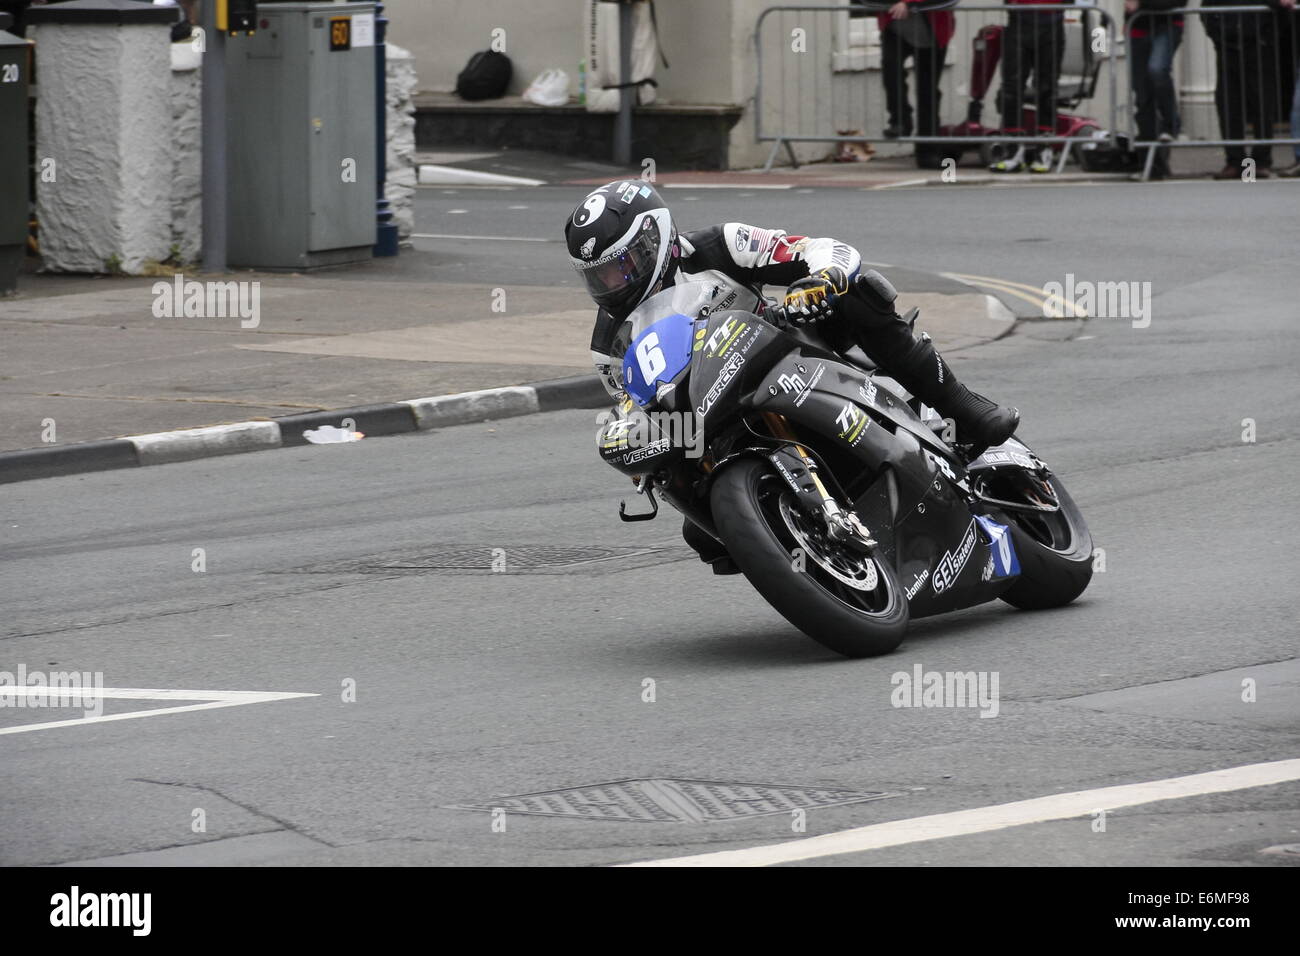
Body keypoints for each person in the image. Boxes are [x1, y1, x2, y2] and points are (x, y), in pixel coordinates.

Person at [565, 180, 1020, 572]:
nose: (612, 285)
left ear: (653, 240)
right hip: (711, 416)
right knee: (701, 531)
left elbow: (820, 249)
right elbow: (631, 403)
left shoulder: (719, 245)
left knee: (861, 291)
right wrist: (635, 440)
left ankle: (963, 406)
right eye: (598, 277)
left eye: (619, 267)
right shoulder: (608, 345)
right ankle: (792, 546)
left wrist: (822, 280)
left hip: (793, 351)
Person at [1205, 0, 1284, 179]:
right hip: (1228, 48)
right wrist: (1218, 36)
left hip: (1259, 47)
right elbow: (1207, 10)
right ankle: (1235, 160)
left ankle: (1261, 161)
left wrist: (1267, 36)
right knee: (1228, 104)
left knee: (1262, 102)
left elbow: (1282, 11)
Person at [989, 0, 1068, 174]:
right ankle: (1013, 150)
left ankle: (1044, 148)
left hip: (1052, 22)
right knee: (1011, 86)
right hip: (1019, 20)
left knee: (1047, 87)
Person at [876, 0, 955, 169]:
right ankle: (900, 121)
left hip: (932, 32)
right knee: (891, 71)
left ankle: (927, 151)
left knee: (927, 91)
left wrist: (908, 2)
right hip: (896, 28)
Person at [1125, 0, 1184, 180]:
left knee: (1157, 69)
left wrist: (1141, 4)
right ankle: (1151, 165)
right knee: (1142, 95)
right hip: (1137, 27)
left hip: (1166, 26)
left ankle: (1171, 123)